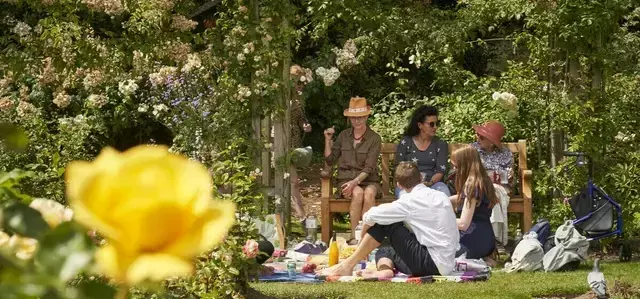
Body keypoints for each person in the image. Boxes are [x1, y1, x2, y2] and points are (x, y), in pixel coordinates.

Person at [317, 161, 459, 277]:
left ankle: (347, 265)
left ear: (398, 185)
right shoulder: (440, 196)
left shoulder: (408, 202)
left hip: (430, 262)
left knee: (386, 223)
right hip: (446, 263)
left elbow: (371, 215)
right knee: (385, 251)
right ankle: (385, 270)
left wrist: (362, 234)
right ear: (421, 178)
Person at [324, 96, 382, 245]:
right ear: (349, 118)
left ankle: (366, 236)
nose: (357, 121)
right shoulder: (343, 135)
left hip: (368, 179)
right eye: (354, 118)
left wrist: (355, 181)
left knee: (368, 193)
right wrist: (328, 141)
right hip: (346, 179)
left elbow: (369, 167)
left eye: (361, 117)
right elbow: (330, 160)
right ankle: (354, 236)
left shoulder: (374, 138)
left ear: (367, 116)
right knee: (357, 193)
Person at [450, 146, 498, 260]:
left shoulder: (471, 185)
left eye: (456, 166)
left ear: (464, 165)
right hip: (487, 239)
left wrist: (438, 221)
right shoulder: (483, 180)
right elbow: (464, 198)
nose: (454, 170)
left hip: (471, 241)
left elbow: (463, 224)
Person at [394, 105, 450, 198]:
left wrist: (429, 183)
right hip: (408, 185)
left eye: (437, 123)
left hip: (433, 184)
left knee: (443, 191)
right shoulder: (406, 142)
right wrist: (412, 184)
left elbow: (441, 170)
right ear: (420, 125)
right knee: (406, 197)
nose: (435, 127)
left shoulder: (440, 144)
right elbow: (399, 167)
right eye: (431, 124)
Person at [289, 65, 313, 223]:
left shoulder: (298, 98)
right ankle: (301, 215)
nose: (300, 86)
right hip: (276, 141)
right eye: (297, 82)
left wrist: (305, 124)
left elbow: (300, 118)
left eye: (301, 83)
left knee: (292, 181)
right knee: (293, 181)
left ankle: (300, 215)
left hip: (293, 142)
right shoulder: (279, 98)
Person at [471, 120, 514, 192]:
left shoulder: (505, 154)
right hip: (477, 187)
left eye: (481, 137)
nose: (478, 139)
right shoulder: (472, 149)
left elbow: (508, 180)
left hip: (498, 189)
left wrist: (509, 177)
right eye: (478, 134)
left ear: (492, 142)